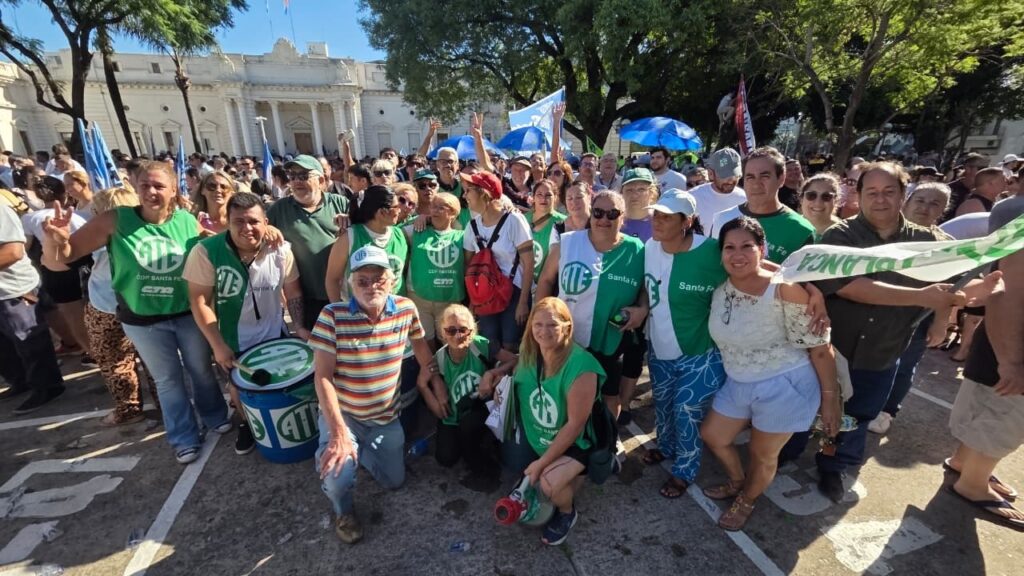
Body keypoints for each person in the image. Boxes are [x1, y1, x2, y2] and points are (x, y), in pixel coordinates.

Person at [789, 162, 983, 502]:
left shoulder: (927, 241)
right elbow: (848, 286)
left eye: (889, 192)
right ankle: (786, 452)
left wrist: (968, 297)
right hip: (833, 348)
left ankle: (832, 465)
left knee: (857, 415)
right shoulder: (841, 236)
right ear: (859, 195)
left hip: (884, 348)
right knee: (806, 406)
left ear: (903, 194)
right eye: (872, 192)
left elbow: (955, 282)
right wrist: (922, 297)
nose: (880, 200)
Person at [43, 160, 230, 464]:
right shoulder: (115, 220)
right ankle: (184, 437)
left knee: (201, 371)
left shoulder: (187, 220)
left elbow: (218, 248)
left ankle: (215, 415)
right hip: (144, 322)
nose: (151, 191)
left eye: (159, 186)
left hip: (187, 315)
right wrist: (58, 241)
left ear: (173, 190)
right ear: (135, 188)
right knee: (167, 380)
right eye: (145, 185)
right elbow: (64, 256)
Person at [701, 217, 839, 530]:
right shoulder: (721, 286)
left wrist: (830, 400)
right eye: (729, 247)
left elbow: (820, 349)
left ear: (761, 249)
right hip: (738, 379)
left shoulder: (784, 290)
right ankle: (738, 482)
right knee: (714, 435)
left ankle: (747, 500)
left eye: (747, 246)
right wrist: (809, 284)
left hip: (785, 384)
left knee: (761, 454)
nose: (738, 255)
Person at [311, 245, 438, 544]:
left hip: (386, 418)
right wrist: (338, 433)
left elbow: (421, 348)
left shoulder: (406, 308)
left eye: (379, 278)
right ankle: (343, 510)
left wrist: (432, 377)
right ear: (350, 284)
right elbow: (323, 377)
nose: (371, 286)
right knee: (337, 476)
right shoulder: (332, 316)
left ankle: (359, 452)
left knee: (395, 481)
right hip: (346, 417)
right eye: (362, 280)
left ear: (392, 280)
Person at [185, 192, 308, 455]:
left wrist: (299, 326)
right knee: (238, 389)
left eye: (253, 221)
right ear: (227, 222)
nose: (247, 228)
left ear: (266, 222)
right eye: (238, 221)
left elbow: (294, 292)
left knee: (277, 382)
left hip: (274, 333)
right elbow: (199, 301)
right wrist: (217, 345)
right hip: (232, 339)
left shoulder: (281, 250)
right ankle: (246, 424)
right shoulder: (206, 251)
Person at [484, 296, 603, 546]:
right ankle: (559, 474)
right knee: (516, 467)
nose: (544, 331)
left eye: (552, 325)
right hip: (538, 438)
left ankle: (568, 512)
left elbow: (575, 425)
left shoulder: (582, 366)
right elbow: (516, 371)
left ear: (567, 327)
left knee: (548, 485)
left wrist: (541, 464)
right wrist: (499, 380)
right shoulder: (530, 352)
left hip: (575, 443)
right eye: (537, 324)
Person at [41, 185, 158, 426]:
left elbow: (55, 264)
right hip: (143, 306)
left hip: (106, 308)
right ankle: (167, 405)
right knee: (156, 361)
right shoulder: (148, 235)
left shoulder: (93, 238)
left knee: (115, 361)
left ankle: (129, 410)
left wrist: (53, 243)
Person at [641, 189, 728, 498]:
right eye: (656, 214)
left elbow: (752, 271)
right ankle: (666, 447)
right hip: (659, 346)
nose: (657, 221)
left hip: (701, 351)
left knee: (686, 410)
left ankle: (685, 470)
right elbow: (647, 289)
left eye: (667, 217)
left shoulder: (712, 252)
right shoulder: (650, 247)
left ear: (686, 222)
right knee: (663, 404)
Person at [945, 194, 1024, 530]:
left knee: (983, 409)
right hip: (1011, 344)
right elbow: (1007, 292)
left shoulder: (1014, 210)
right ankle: (974, 483)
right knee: (1004, 416)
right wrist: (1012, 362)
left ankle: (966, 464)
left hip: (1001, 339)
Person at [535, 191, 645, 417]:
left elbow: (646, 287)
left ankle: (608, 436)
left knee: (609, 396)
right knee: (564, 391)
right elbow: (545, 280)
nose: (604, 219)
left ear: (622, 217)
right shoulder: (568, 242)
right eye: (598, 212)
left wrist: (642, 309)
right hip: (567, 337)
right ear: (591, 213)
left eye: (612, 214)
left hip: (611, 338)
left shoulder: (637, 249)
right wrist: (538, 318)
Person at [417, 304, 515, 475]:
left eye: (463, 330)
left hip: (482, 406)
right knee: (445, 458)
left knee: (469, 425)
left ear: (472, 330)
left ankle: (478, 451)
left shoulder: (481, 345)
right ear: (442, 333)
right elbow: (439, 411)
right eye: (451, 330)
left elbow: (515, 360)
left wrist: (492, 373)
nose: (458, 335)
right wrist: (423, 386)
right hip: (454, 415)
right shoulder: (439, 359)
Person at [266, 155, 349, 331]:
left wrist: (352, 221)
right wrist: (268, 229)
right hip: (307, 298)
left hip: (343, 294)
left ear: (320, 180)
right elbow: (258, 229)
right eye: (292, 176)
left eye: (304, 176)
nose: (297, 181)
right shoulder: (279, 209)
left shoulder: (340, 203)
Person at [0, 198, 65, 414]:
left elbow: (14, 251)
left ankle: (48, 387)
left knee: (29, 341)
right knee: (5, 348)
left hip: (13, 290)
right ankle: (21, 381)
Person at [462, 171, 534, 357]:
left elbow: (528, 263)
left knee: (511, 345)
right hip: (485, 294)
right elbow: (469, 266)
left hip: (514, 292)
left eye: (469, 190)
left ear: (484, 194)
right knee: (490, 345)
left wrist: (523, 303)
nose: (464, 195)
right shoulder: (472, 226)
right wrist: (473, 300)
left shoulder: (514, 220)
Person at [710, 147, 815, 263]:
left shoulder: (802, 231)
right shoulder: (722, 219)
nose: (756, 184)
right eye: (750, 177)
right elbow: (712, 267)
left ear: (781, 179)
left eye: (765, 176)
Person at [325, 185, 407, 302]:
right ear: (381, 212)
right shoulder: (350, 237)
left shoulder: (400, 234)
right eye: (396, 207)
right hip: (356, 309)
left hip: (394, 307)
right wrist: (337, 309)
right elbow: (332, 279)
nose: (400, 210)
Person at [403, 192, 466, 345]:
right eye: (433, 207)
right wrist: (419, 218)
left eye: (441, 208)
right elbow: (391, 230)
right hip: (419, 298)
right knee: (425, 342)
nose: (434, 211)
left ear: (453, 213)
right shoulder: (416, 230)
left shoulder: (463, 236)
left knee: (450, 342)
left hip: (449, 299)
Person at [689, 148, 746, 223]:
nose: (731, 180)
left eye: (735, 175)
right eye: (725, 175)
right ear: (711, 174)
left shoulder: (745, 198)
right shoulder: (693, 198)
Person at [527, 179, 566, 284]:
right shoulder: (523, 219)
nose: (543, 198)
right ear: (533, 197)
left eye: (548, 195)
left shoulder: (563, 223)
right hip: (522, 281)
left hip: (548, 284)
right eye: (539, 194)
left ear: (556, 197)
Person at [945, 153, 989, 220]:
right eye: (981, 168)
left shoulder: (984, 191)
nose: (985, 171)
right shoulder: (949, 189)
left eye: (987, 168)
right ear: (968, 168)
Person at [619, 168, 658, 243]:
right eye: (629, 190)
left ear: (651, 192)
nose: (634, 195)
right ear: (622, 193)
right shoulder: (613, 221)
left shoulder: (661, 222)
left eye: (641, 189)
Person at [799, 174, 842, 239]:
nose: (818, 203)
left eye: (826, 196)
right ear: (801, 199)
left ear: (836, 201)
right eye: (811, 195)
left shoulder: (845, 233)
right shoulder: (789, 226)